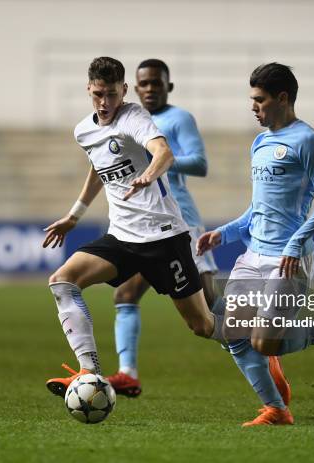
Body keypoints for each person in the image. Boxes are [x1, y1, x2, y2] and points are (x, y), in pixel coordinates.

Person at [42, 56, 225, 398]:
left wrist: (148, 176)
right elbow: (99, 168)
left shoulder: (134, 117)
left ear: (124, 90)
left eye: (112, 94)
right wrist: (74, 215)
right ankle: (89, 373)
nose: (105, 102)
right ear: (89, 90)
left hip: (164, 237)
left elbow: (164, 152)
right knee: (62, 281)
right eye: (98, 94)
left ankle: (258, 343)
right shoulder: (84, 130)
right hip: (123, 238)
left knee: (202, 325)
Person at [197, 62, 314, 426]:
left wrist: (296, 241)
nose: (253, 107)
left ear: (283, 98)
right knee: (230, 333)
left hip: (288, 261)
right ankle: (277, 409)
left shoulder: (307, 140)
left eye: (259, 100)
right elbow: (258, 209)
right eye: (252, 100)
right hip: (252, 254)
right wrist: (223, 233)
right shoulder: (259, 142)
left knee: (263, 344)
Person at [105, 59, 219, 397]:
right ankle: (127, 374)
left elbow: (200, 163)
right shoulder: (128, 119)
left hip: (180, 222)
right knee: (125, 293)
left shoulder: (178, 119)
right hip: (144, 224)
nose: (151, 89)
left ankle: (269, 349)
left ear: (169, 86)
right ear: (135, 88)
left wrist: (155, 157)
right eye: (145, 84)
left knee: (214, 307)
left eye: (157, 83)